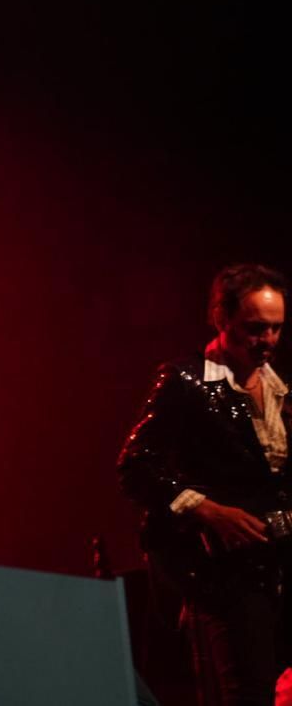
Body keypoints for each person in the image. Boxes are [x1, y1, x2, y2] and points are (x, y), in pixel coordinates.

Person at [118, 263, 290, 706]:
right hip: (226, 576)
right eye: (255, 328)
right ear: (221, 317)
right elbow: (136, 465)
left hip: (276, 564)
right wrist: (208, 510)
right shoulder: (186, 381)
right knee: (247, 692)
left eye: (275, 329)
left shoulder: (279, 390)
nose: (267, 340)